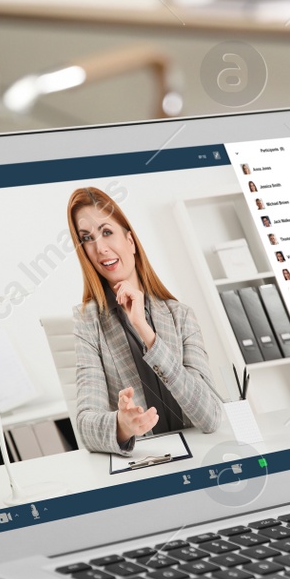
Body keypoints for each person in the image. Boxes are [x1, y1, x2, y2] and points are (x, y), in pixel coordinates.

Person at [65, 187, 222, 454]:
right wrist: (122, 424)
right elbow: (85, 424)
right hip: (143, 461)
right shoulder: (88, 322)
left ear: (130, 241)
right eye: (87, 239)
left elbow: (210, 417)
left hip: (198, 456)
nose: (100, 247)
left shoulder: (180, 315)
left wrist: (145, 331)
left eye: (106, 232)